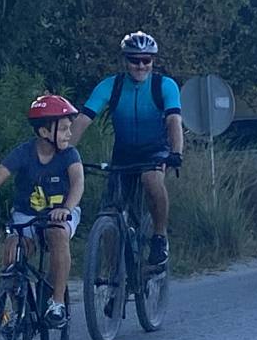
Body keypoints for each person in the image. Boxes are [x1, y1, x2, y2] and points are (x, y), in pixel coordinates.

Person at [70, 31, 183, 266]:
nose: (140, 66)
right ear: (125, 61)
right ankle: (113, 276)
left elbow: (174, 120)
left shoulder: (164, 85)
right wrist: (65, 152)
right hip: (123, 153)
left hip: (155, 150)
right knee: (110, 213)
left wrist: (176, 152)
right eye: (134, 60)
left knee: (151, 181)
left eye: (146, 60)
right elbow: (83, 119)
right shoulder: (110, 86)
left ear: (153, 61)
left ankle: (159, 237)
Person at [0, 94, 84, 327]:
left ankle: (57, 303)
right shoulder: (23, 152)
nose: (69, 134)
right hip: (26, 215)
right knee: (13, 251)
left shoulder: (69, 154)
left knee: (57, 233)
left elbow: (77, 184)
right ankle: (17, 310)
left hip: (61, 213)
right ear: (44, 132)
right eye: (64, 129)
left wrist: (66, 208)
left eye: (69, 128)